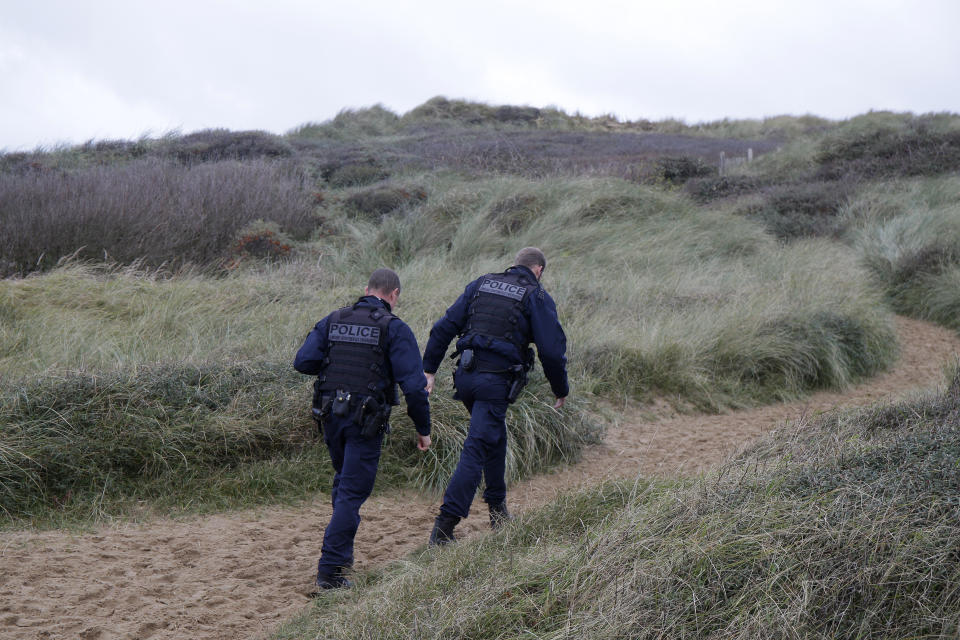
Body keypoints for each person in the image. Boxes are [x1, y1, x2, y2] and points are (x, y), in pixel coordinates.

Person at [294, 268, 431, 592]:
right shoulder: (394, 328)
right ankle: (329, 574)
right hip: (364, 422)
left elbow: (303, 362)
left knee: (344, 484)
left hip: (330, 417)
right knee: (352, 493)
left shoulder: (334, 319)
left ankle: (341, 555)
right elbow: (414, 387)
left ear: (367, 289)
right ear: (394, 295)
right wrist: (423, 429)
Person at [422, 247, 568, 545]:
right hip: (495, 382)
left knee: (494, 436)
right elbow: (552, 350)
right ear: (538, 270)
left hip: (464, 378)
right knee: (477, 447)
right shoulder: (535, 296)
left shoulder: (481, 283)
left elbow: (443, 327)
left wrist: (429, 369)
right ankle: (443, 529)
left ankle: (498, 511)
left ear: (516, 264)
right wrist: (560, 388)